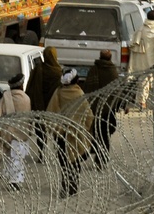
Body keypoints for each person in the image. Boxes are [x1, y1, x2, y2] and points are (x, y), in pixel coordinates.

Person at [46, 68, 94, 199]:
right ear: (76, 80)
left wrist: (54, 129)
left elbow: (51, 111)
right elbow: (89, 115)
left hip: (62, 133)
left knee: (63, 161)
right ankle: (73, 186)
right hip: (76, 134)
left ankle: (65, 186)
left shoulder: (58, 93)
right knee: (75, 160)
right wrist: (87, 129)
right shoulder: (79, 93)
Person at [82, 49, 120, 167]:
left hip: (95, 108)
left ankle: (99, 157)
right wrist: (117, 106)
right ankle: (102, 159)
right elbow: (117, 91)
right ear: (110, 58)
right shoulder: (113, 71)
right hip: (108, 109)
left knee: (98, 134)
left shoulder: (94, 70)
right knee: (105, 135)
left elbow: (88, 88)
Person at [0, 72, 33, 190]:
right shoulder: (25, 98)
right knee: (17, 158)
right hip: (20, 133)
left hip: (7, 133)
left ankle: (11, 179)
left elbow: (0, 114)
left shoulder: (5, 97)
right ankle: (14, 182)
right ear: (21, 85)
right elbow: (28, 118)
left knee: (9, 157)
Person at [27, 46, 64, 156]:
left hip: (39, 104)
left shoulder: (38, 69)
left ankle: (41, 152)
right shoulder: (58, 72)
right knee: (56, 129)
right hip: (53, 105)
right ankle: (59, 151)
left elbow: (31, 87)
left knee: (40, 130)